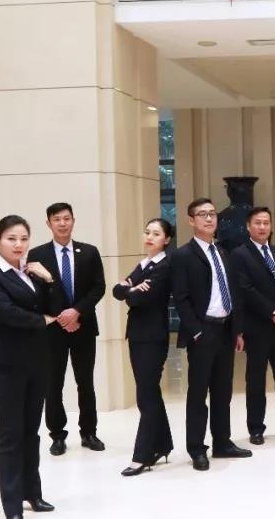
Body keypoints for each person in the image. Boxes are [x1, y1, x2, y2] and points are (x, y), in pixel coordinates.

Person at [0, 215, 60, 519]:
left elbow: (55, 306)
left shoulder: (32, 273)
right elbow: (6, 313)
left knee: (31, 431)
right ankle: (12, 505)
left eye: (24, 238)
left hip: (37, 361)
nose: (19, 244)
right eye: (12, 238)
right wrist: (41, 321)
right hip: (8, 365)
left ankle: (32, 493)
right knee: (10, 433)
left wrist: (48, 279)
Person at [170, 197, 252, 472]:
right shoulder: (183, 255)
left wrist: (237, 330)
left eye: (212, 214)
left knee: (223, 390)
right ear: (190, 220)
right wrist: (196, 331)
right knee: (198, 393)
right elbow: (180, 297)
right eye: (202, 214)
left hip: (226, 329)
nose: (209, 218)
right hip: (203, 331)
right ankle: (196, 448)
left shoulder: (223, 252)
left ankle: (222, 442)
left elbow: (234, 292)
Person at [28, 202, 107, 454]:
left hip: (84, 326)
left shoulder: (89, 252)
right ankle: (57, 435)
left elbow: (98, 287)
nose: (62, 223)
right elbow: (37, 294)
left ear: (73, 220)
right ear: (48, 223)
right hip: (52, 330)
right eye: (57, 219)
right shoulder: (37, 255)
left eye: (66, 218)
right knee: (53, 384)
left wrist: (76, 312)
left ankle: (89, 432)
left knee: (86, 383)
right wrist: (63, 316)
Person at [112, 218, 175, 477]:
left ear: (167, 240)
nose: (149, 237)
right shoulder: (144, 264)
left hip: (152, 337)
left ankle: (142, 455)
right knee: (150, 393)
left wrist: (130, 290)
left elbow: (138, 298)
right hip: (137, 336)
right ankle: (163, 444)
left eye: (156, 234)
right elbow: (116, 291)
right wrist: (130, 289)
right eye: (147, 232)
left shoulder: (164, 266)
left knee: (145, 396)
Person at [232, 207, 275, 445]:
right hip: (257, 327)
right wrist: (272, 312)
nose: (262, 227)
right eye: (257, 223)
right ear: (248, 226)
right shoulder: (240, 254)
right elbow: (245, 289)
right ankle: (256, 428)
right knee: (256, 380)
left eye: (266, 222)